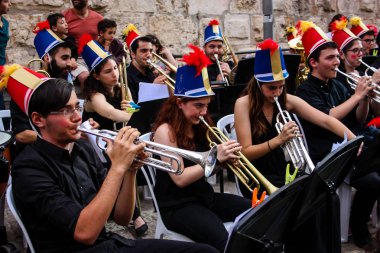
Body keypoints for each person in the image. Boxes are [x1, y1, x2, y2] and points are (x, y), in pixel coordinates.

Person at [1, 64, 218, 253]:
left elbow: (122, 218)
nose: (78, 117)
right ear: (38, 119)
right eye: (66, 111)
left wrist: (131, 170)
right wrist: (117, 167)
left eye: (77, 107)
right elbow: (85, 232)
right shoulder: (28, 169)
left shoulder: (83, 150)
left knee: (204, 251)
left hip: (111, 245)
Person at [153, 45, 251, 253]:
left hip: (203, 196)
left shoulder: (199, 125)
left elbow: (208, 167)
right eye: (198, 106)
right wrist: (216, 157)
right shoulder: (165, 131)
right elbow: (179, 179)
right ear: (180, 103)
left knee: (256, 211)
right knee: (224, 241)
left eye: (206, 105)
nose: (204, 112)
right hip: (178, 206)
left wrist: (225, 162)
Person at [295, 20, 380, 252]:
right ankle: (359, 231)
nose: (336, 62)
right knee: (373, 179)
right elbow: (328, 117)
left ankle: (364, 227)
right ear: (313, 62)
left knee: (374, 178)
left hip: (349, 147)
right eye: (330, 58)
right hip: (326, 152)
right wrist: (356, 96)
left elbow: (359, 119)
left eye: (336, 56)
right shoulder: (305, 91)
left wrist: (365, 98)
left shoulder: (336, 85)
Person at [234, 38, 356, 195]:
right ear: (258, 84)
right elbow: (245, 152)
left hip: (285, 172)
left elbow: (325, 119)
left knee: (326, 196)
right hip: (259, 176)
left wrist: (353, 139)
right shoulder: (243, 104)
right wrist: (279, 139)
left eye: (281, 86)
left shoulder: (288, 99)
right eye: (271, 88)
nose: (277, 93)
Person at [80, 35, 147, 236]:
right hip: (96, 145)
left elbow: (135, 107)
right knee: (118, 164)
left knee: (135, 159)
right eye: (108, 72)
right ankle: (134, 215)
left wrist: (132, 108)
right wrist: (130, 112)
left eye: (115, 69)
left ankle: (128, 209)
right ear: (97, 76)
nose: (115, 74)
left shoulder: (121, 87)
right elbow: (109, 113)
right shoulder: (94, 95)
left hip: (116, 140)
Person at [10, 22, 74, 156]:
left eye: (70, 58)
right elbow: (21, 135)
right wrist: (58, 137)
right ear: (47, 58)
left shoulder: (65, 84)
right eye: (64, 58)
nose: (70, 63)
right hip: (33, 157)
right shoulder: (28, 85)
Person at [331, 16, 380, 129]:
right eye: (355, 50)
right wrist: (371, 81)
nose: (360, 54)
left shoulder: (363, 73)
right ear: (342, 54)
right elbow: (357, 120)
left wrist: (376, 85)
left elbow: (377, 112)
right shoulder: (338, 79)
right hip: (356, 128)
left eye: (361, 50)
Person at [123, 24, 169, 134]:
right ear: (133, 54)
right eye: (143, 51)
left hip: (160, 123)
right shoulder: (126, 76)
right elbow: (131, 109)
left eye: (150, 51)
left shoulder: (153, 72)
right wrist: (153, 88)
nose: (149, 55)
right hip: (141, 129)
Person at [63, 0, 102, 94]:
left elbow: (103, 40)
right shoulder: (64, 17)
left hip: (94, 57)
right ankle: (90, 105)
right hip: (74, 58)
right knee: (85, 77)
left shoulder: (99, 18)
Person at [203, 19, 233, 84]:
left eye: (219, 47)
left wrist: (231, 73)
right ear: (204, 48)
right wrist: (217, 84)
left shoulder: (230, 65)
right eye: (212, 46)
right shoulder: (198, 69)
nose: (216, 50)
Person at [0, 0, 11, 111]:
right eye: (6, 1)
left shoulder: (5, 22)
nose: (10, 4)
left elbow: (3, 47)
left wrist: (7, 67)